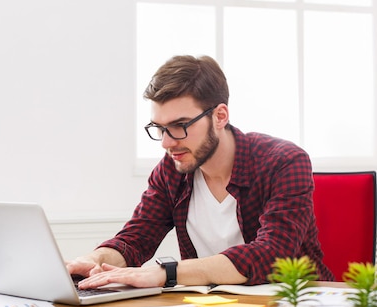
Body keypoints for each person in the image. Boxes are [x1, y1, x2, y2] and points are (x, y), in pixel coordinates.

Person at [67, 55, 334, 289]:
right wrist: (92, 262)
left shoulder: (284, 161)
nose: (167, 142)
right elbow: (137, 238)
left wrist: (165, 273)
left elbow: (272, 255)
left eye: (180, 125)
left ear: (220, 116)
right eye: (159, 128)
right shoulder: (172, 170)